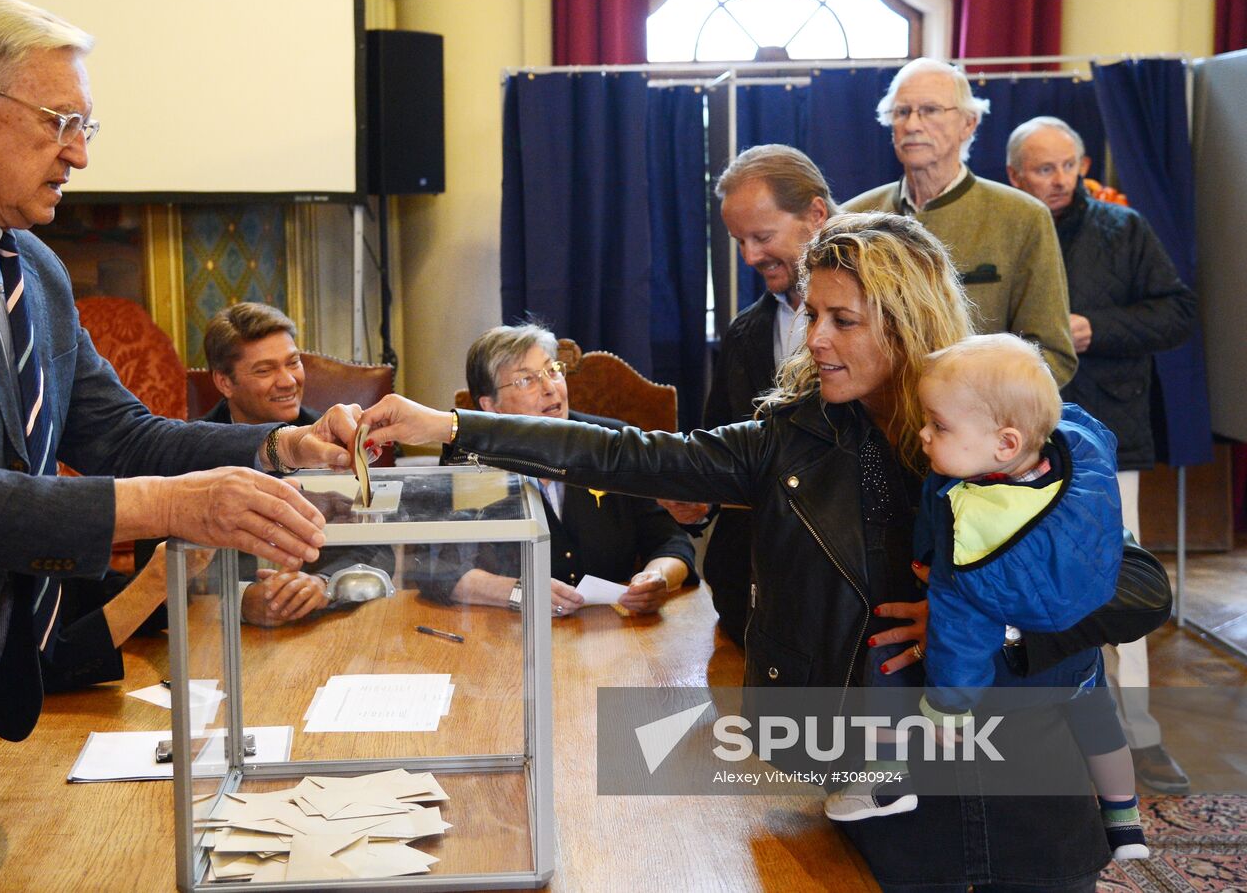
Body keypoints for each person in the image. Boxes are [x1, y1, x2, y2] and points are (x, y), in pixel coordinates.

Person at [362, 212, 1173, 890]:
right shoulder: (792, 439)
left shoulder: (1017, 427)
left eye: (841, 320)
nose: (813, 337)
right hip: (886, 790)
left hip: (1025, 771)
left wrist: (993, 624)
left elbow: (1141, 587)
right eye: (812, 314)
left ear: (907, 319)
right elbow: (630, 454)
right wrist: (457, 426)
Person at [0, 0, 357, 878]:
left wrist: (279, 450)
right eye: (61, 123)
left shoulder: (33, 266)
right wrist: (175, 507)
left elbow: (120, 434)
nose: (80, 152)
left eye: (87, 124)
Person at [826, 334, 1147, 861]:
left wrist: (950, 709)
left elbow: (960, 637)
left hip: (1011, 671)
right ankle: (1124, 817)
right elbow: (1090, 430)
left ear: (1004, 444)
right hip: (1077, 657)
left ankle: (889, 781)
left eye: (940, 426)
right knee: (1099, 717)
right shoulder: (1076, 458)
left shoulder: (971, 540)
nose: (925, 435)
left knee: (887, 659)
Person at [1006, 116, 1197, 795]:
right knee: (1016, 580)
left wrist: (1096, 329)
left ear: (1083, 163)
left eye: (1068, 166)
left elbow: (1177, 313)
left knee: (1123, 580)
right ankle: (1037, 730)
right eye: (1043, 168)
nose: (1059, 180)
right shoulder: (1007, 228)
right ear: (1014, 174)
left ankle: (1139, 733)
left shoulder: (1125, 229)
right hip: (1015, 441)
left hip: (1109, 432)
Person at [663, 143, 836, 644]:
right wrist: (699, 500)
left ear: (816, 214)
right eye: (739, 240)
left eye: (762, 236)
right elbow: (721, 448)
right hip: (752, 601)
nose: (750, 257)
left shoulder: (891, 315)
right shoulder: (743, 335)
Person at [409, 323, 696, 616]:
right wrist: (517, 591)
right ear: (491, 406)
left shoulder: (611, 445)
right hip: (508, 635)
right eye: (526, 381)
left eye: (553, 370)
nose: (550, 388)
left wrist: (657, 578)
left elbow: (670, 542)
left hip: (611, 632)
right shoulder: (472, 462)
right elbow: (434, 566)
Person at [845, 58, 1077, 387]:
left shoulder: (1023, 218)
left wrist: (975, 412)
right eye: (901, 112)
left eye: (929, 110)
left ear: (968, 123)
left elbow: (1051, 355)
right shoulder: (854, 217)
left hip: (977, 429)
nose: (912, 124)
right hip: (874, 432)